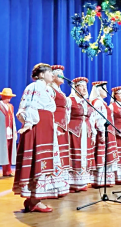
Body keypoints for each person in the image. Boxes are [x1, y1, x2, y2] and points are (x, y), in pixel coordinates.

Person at [13, 63, 67, 212]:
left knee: (46, 160)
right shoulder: (34, 87)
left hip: (47, 126)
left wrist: (54, 126)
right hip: (38, 126)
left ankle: (33, 199)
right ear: (42, 74)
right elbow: (29, 106)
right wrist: (29, 122)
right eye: (49, 72)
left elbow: (49, 110)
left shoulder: (48, 89)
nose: (52, 75)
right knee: (39, 161)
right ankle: (35, 200)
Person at [68, 77, 96, 192]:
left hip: (86, 131)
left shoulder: (87, 102)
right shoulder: (70, 100)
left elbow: (92, 119)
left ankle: (82, 181)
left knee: (85, 155)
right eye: (81, 86)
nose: (84, 88)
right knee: (76, 154)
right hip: (74, 132)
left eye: (85, 86)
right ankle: (72, 183)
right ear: (75, 88)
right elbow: (66, 116)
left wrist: (93, 133)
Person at [89, 81, 118, 187]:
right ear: (98, 90)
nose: (106, 91)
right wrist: (101, 132)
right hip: (103, 132)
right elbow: (97, 118)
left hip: (108, 131)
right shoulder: (98, 103)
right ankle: (100, 180)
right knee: (102, 156)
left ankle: (106, 179)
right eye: (103, 88)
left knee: (107, 156)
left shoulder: (103, 103)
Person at [48, 65, 71, 193]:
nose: (62, 76)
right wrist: (53, 124)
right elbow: (49, 108)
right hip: (56, 124)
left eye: (63, 73)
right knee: (55, 153)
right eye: (59, 74)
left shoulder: (59, 90)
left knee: (62, 153)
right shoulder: (51, 90)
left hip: (63, 125)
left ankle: (61, 184)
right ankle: (53, 185)